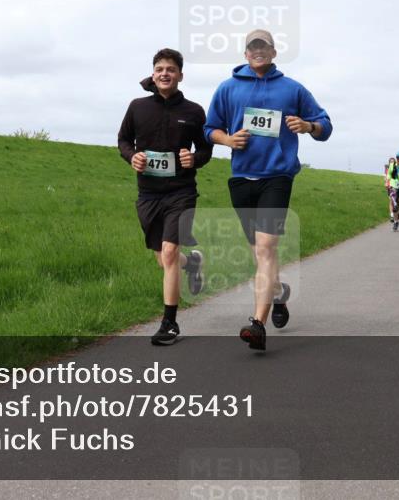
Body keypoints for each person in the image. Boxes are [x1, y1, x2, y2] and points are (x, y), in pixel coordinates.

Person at [203, 28, 332, 351]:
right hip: (241, 178)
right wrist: (227, 139)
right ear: (245, 54)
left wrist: (308, 126)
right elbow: (209, 128)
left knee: (265, 249)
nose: (258, 52)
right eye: (252, 47)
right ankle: (278, 294)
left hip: (277, 177)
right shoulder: (227, 88)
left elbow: (325, 125)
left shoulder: (293, 89)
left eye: (264, 47)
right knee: (259, 253)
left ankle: (257, 324)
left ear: (274, 53)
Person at [118, 48, 212, 346]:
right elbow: (123, 140)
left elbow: (206, 149)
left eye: (171, 69)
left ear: (180, 76)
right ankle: (193, 264)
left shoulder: (194, 111)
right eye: (159, 68)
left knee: (169, 253)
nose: (164, 73)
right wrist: (132, 156)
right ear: (153, 73)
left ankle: (169, 324)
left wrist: (193, 159)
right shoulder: (137, 107)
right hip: (148, 194)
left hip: (181, 192)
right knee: (163, 259)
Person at [385, 156, 397, 223]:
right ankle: (392, 216)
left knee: (397, 201)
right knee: (391, 201)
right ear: (389, 163)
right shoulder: (387, 170)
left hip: (397, 187)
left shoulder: (397, 169)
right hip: (390, 187)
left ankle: (397, 213)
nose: (392, 163)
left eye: (393, 162)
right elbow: (386, 178)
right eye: (390, 162)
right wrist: (386, 183)